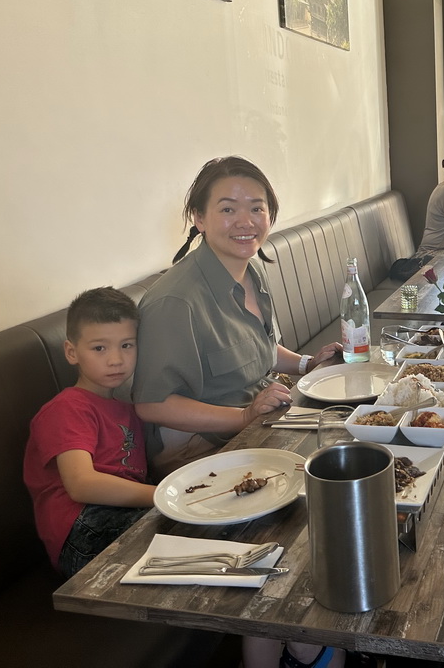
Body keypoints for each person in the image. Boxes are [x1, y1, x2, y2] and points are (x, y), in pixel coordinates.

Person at [133, 157, 342, 478]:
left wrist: (307, 364)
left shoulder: (252, 272)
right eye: (228, 209)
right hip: (199, 453)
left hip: (259, 422)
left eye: (257, 208)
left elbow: (258, 348)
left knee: (353, 436)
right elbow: (153, 405)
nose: (246, 221)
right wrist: (243, 417)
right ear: (199, 218)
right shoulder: (174, 301)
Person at [24, 287, 152, 578]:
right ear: (72, 352)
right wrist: (164, 495)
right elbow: (82, 484)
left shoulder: (128, 408)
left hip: (121, 514)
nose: (116, 360)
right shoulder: (68, 407)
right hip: (83, 528)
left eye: (127, 345)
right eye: (99, 348)